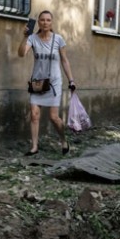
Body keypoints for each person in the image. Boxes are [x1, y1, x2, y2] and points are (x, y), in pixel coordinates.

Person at [18, 10, 76, 156]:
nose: (45, 22)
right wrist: (25, 37)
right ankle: (34, 147)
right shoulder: (32, 38)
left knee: (54, 117)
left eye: (48, 20)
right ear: (38, 22)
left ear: (52, 23)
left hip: (54, 83)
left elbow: (64, 60)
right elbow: (21, 53)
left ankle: (63, 140)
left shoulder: (58, 39)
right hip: (37, 82)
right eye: (42, 20)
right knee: (34, 114)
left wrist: (71, 80)